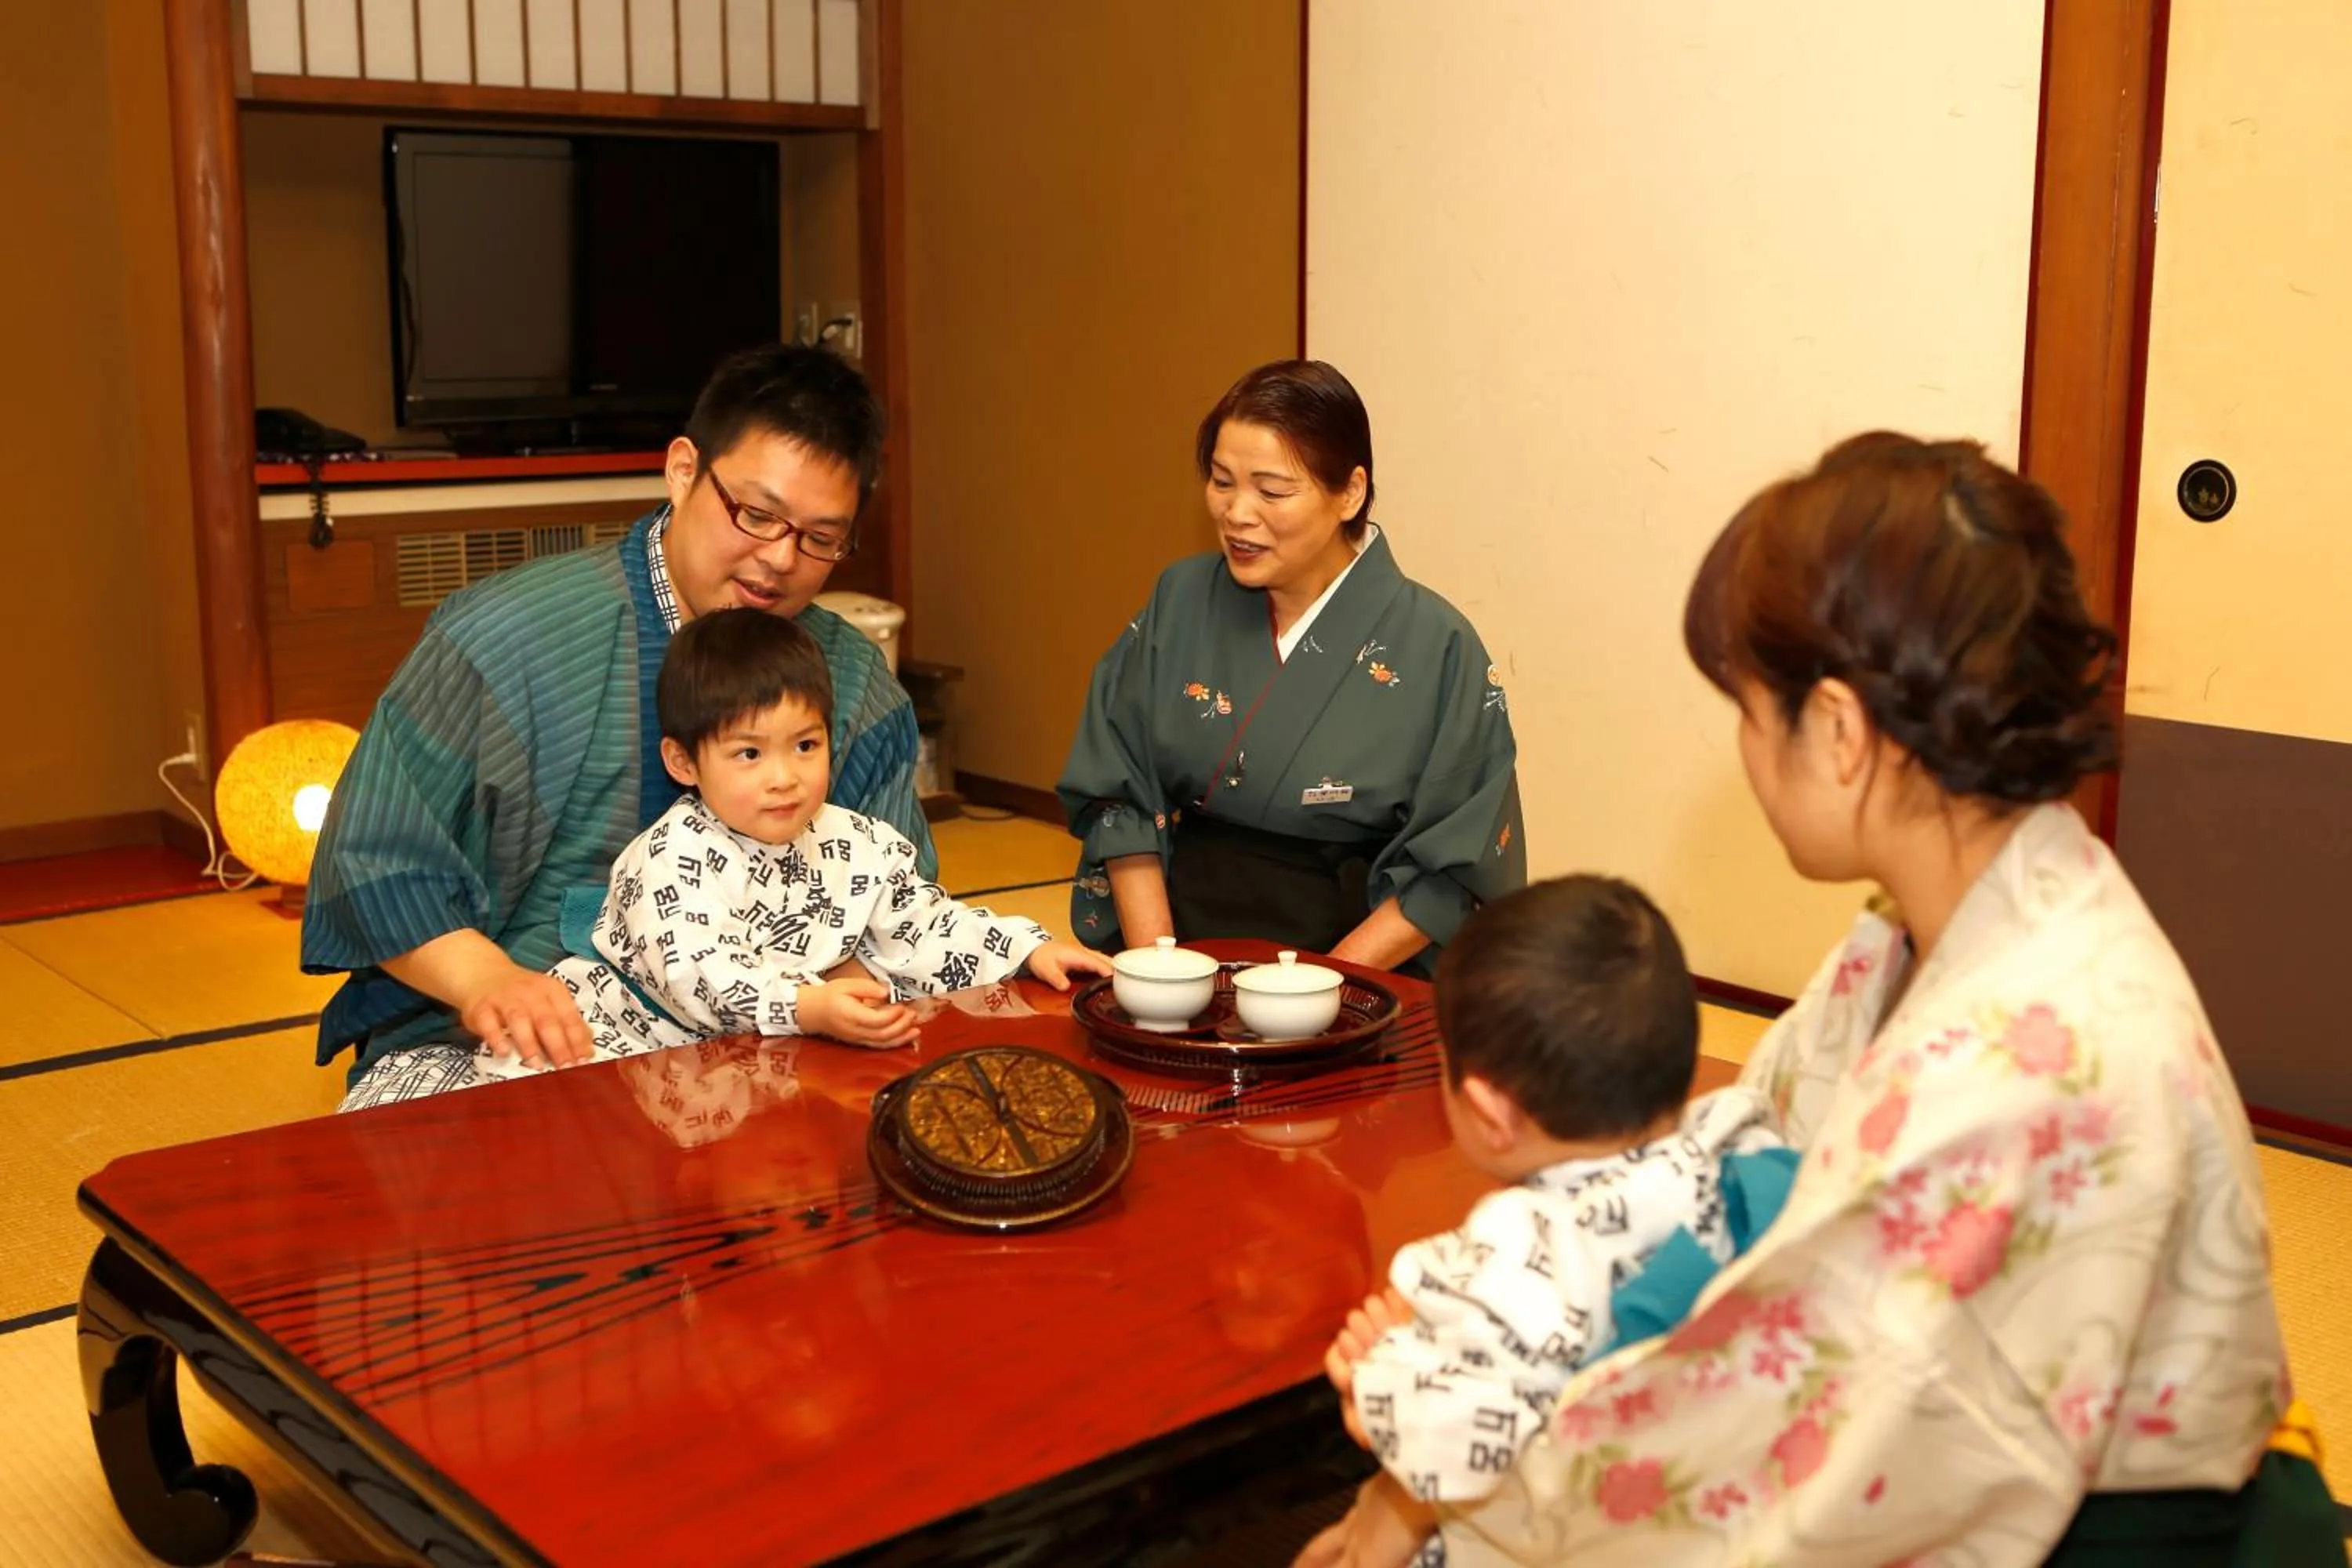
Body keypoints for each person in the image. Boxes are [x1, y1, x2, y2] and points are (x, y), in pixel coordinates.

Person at [1410, 434, 2331, 1567]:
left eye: (1750, 710)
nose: (1744, 751)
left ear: (1839, 732)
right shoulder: (1934, 920)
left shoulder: (2025, 1057)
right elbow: (1740, 1188)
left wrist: (1458, 1487)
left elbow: (1818, 1440)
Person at [305, 344, 937, 1111]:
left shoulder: (859, 689)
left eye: (819, 538)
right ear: (682, 470)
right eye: (757, 515)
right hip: (496, 1042)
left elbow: (895, 904)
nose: (778, 560)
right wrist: (488, 981)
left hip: (765, 1033)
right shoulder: (506, 636)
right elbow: (372, 855)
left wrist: (850, 991)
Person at [1308, 877, 1797, 1568]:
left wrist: (1387, 1371)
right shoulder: (1743, 1146)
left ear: (1490, 1111)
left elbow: (1447, 1448)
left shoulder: (1519, 1251)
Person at [466, 609, 1107, 1087]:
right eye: (749, 753)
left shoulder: (856, 841)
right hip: (633, 1039)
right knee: (538, 1081)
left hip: (773, 1045)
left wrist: (1028, 948)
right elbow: (700, 975)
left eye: (805, 746)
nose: (784, 777)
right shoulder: (665, 857)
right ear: (684, 761)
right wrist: (807, 1005)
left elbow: (926, 926)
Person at [1058, 360, 1525, 975]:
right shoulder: (1179, 601)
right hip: (1178, 934)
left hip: (1350, 955)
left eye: (1272, 491)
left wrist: (1319, 989)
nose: (1236, 513)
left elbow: (1458, 861)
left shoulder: (1436, 644)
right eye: (1222, 482)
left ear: (1350, 493)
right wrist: (1158, 971)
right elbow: (1120, 795)